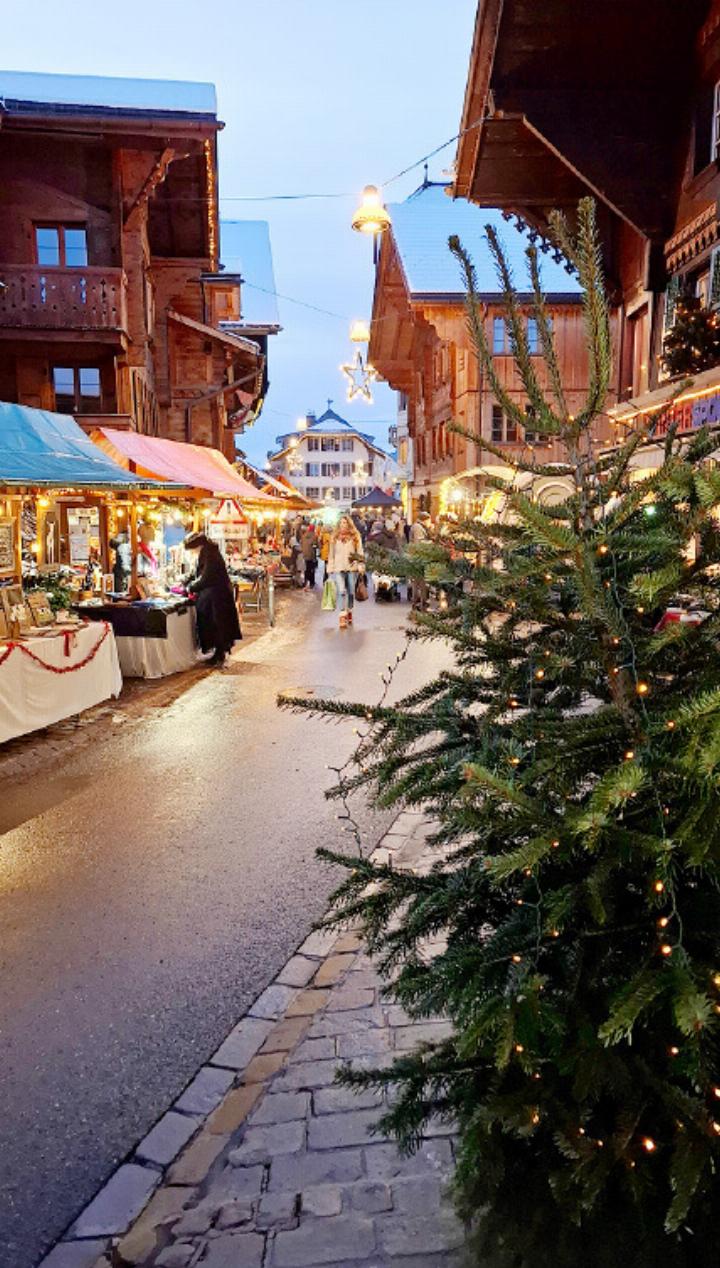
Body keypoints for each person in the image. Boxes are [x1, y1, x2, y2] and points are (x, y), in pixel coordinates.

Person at [184, 532, 241, 666]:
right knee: (217, 625)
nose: (192, 553)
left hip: (216, 597)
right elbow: (198, 573)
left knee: (217, 625)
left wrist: (191, 587)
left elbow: (206, 577)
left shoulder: (210, 555)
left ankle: (219, 654)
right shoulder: (209, 552)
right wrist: (188, 581)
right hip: (215, 595)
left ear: (197, 546)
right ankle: (218, 653)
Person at [327, 514, 365, 629]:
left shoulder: (355, 536)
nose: (343, 525)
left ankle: (350, 610)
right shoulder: (334, 537)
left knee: (351, 591)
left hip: (351, 567)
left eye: (345, 523)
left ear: (349, 524)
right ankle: (342, 615)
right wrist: (330, 566)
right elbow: (331, 553)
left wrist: (360, 564)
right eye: (341, 523)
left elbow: (360, 551)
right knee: (341, 591)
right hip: (339, 567)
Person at [409, 511, 432, 610]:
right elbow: (420, 543)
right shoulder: (418, 527)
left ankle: (418, 604)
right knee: (421, 583)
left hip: (417, 558)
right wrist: (431, 542)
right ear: (425, 519)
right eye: (429, 520)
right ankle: (420, 604)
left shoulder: (417, 527)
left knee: (418, 582)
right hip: (419, 559)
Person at [300, 522, 318, 589]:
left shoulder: (304, 535)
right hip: (311, 555)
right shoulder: (314, 536)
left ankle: (305, 581)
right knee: (311, 569)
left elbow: (301, 543)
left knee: (306, 568)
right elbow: (316, 545)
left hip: (304, 554)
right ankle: (311, 583)